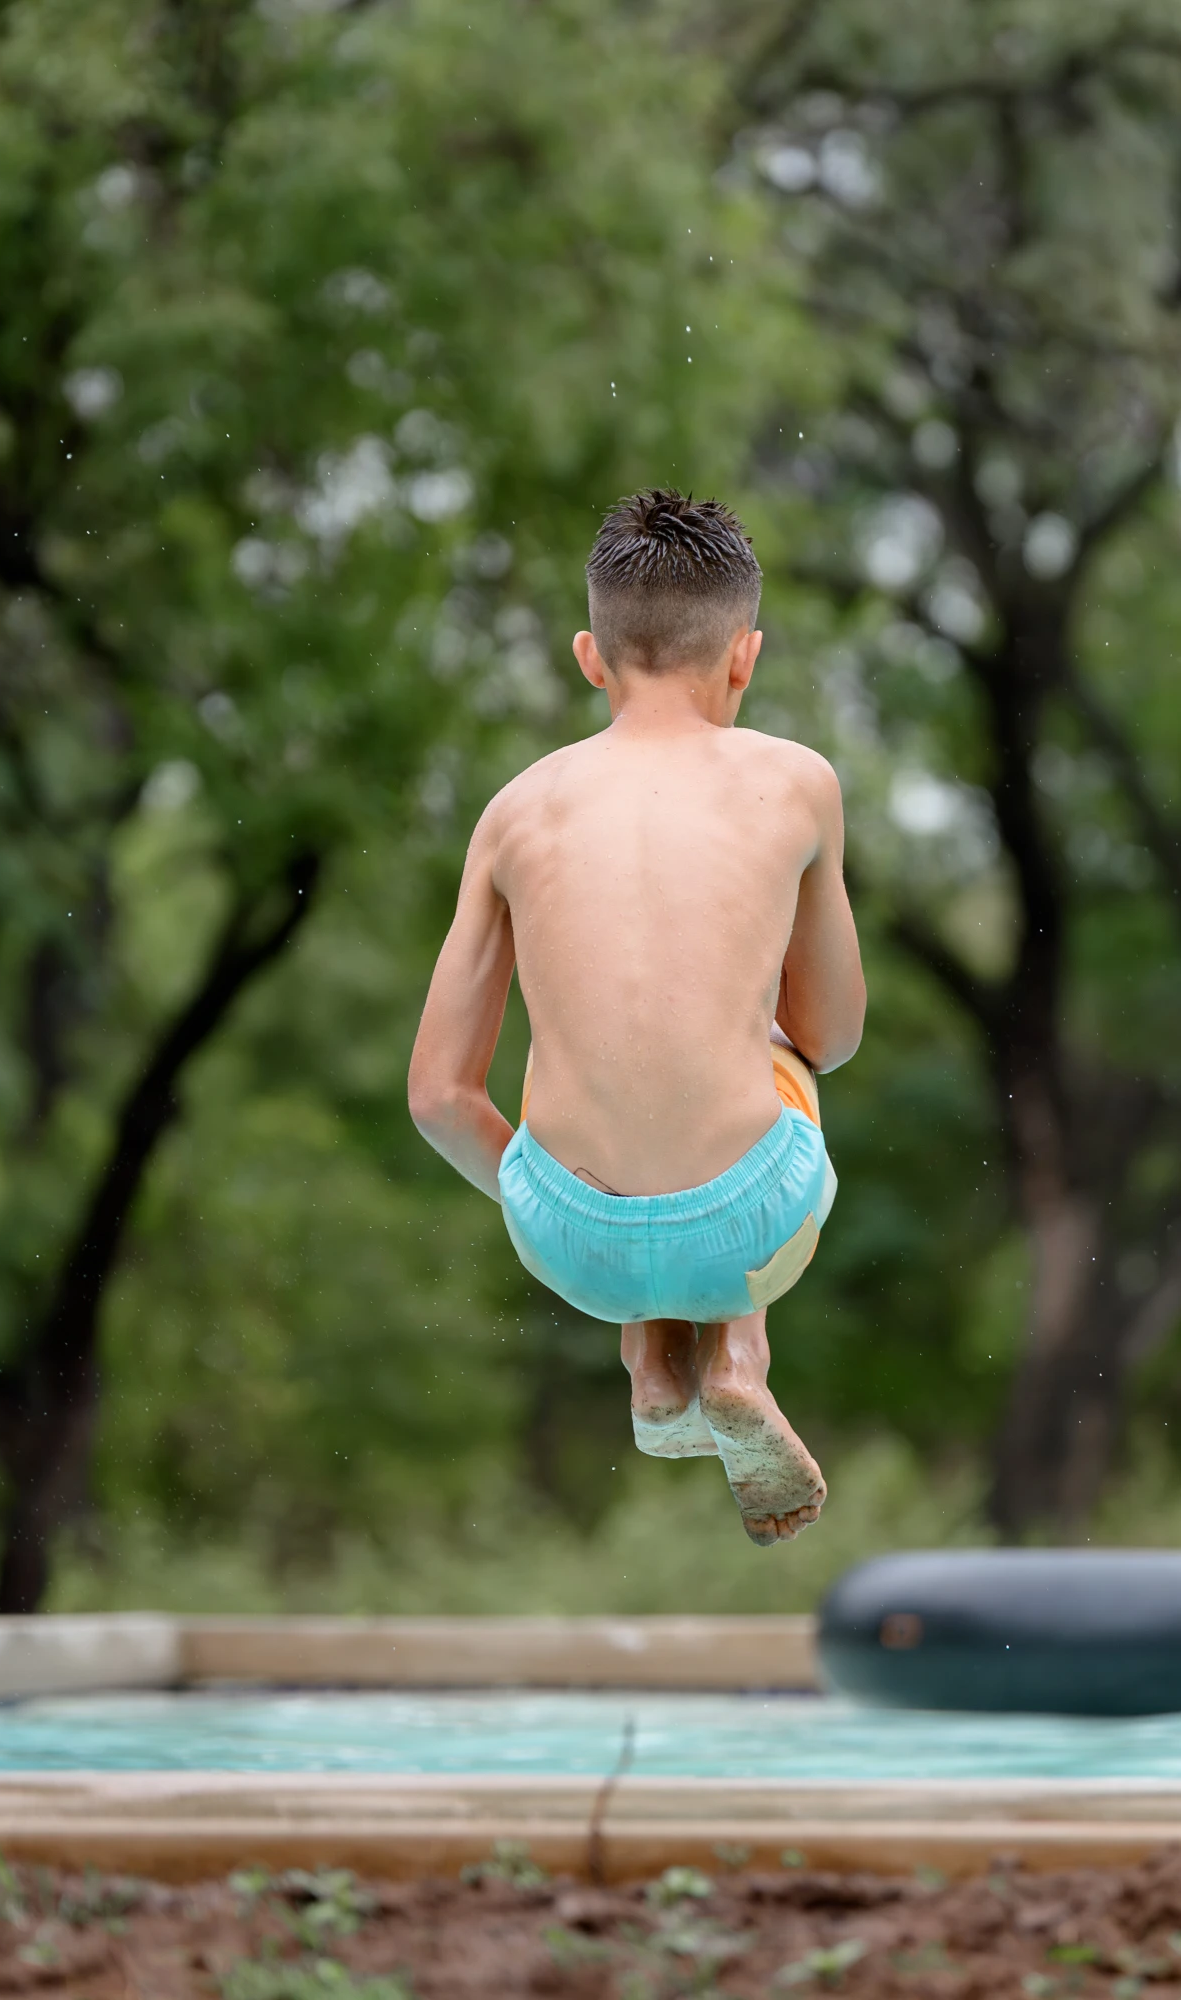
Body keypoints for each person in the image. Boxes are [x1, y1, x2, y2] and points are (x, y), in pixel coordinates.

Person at [407, 490, 866, 1546]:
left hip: (572, 1240)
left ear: (589, 655)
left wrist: (539, 1190)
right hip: (751, 1222)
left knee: (567, 1058)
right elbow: (833, 1034)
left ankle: (652, 1359)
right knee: (771, 1048)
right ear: (743, 657)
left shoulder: (516, 811)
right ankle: (738, 1359)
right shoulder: (797, 782)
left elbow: (436, 1096)